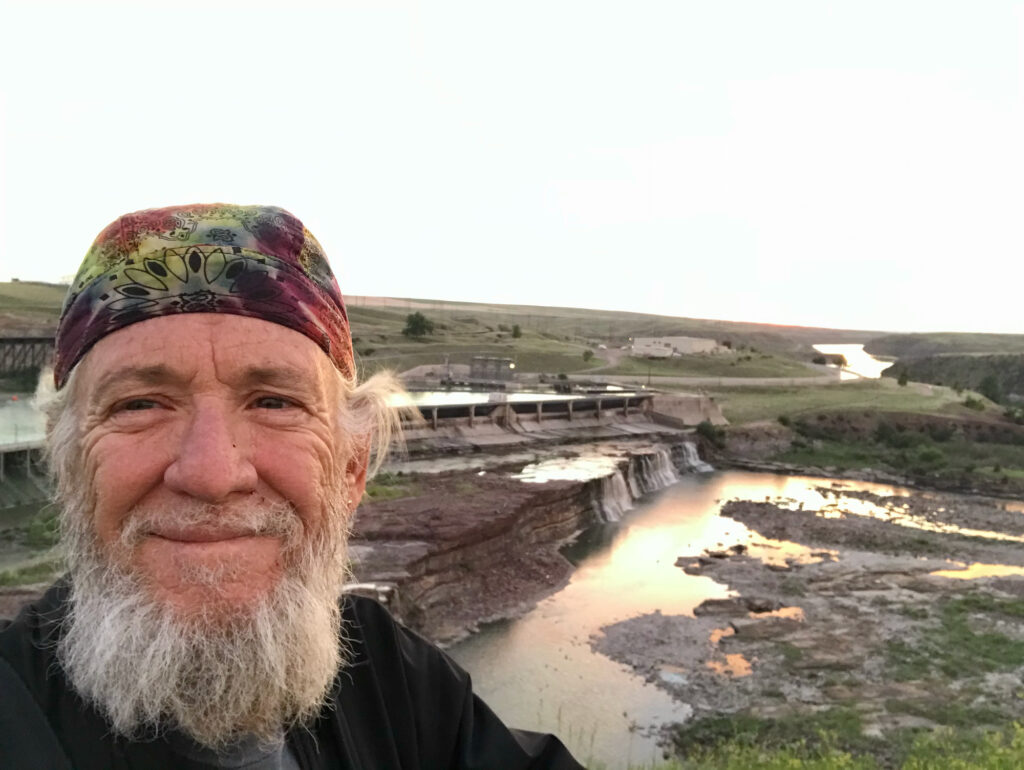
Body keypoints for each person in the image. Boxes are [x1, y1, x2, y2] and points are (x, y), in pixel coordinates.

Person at [0, 204, 584, 770]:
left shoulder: (386, 673)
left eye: (274, 402)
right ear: (68, 463)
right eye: (140, 404)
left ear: (351, 468)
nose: (212, 474)